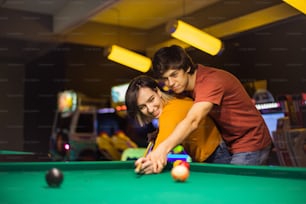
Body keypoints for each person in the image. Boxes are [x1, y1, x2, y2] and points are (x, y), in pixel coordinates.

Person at [144, 45, 272, 173]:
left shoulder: (210, 82)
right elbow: (177, 113)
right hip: (230, 143)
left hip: (252, 140)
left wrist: (163, 149)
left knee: (232, 188)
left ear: (187, 67)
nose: (170, 83)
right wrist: (160, 134)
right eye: (165, 79)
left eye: (174, 74)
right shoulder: (183, 89)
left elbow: (193, 121)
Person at [125, 75, 231, 174]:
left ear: (157, 91)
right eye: (142, 107)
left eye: (151, 100)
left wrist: (149, 161)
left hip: (217, 155)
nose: (150, 109)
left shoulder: (169, 114)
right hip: (215, 151)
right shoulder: (175, 101)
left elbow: (159, 152)